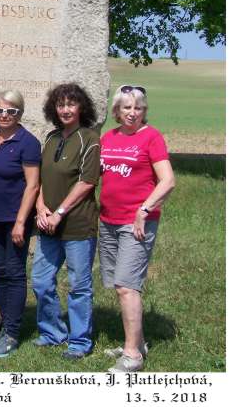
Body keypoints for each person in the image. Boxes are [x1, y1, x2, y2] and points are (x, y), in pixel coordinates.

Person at [98, 85, 176, 374]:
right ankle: (138, 342)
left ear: (145, 111)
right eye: (127, 107)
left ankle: (132, 356)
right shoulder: (109, 137)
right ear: (116, 111)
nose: (132, 113)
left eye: (138, 108)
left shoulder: (151, 137)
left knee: (127, 286)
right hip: (108, 221)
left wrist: (144, 210)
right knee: (117, 285)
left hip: (136, 224)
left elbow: (167, 181)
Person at [32, 83, 101, 359]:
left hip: (77, 225)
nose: (65, 109)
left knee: (78, 286)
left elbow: (87, 181)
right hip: (47, 224)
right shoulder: (50, 138)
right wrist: (40, 209)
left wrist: (59, 212)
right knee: (40, 281)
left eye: (71, 104)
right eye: (61, 105)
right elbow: (40, 179)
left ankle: (79, 340)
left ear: (81, 107)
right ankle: (52, 331)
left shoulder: (90, 138)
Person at [0, 89, 41, 358]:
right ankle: (4, 323)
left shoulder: (28, 142)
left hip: (15, 219)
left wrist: (20, 222)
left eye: (12, 111)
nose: (5, 115)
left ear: (20, 113)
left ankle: (13, 332)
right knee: (0, 271)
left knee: (14, 273)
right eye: (0, 110)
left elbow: (33, 185)